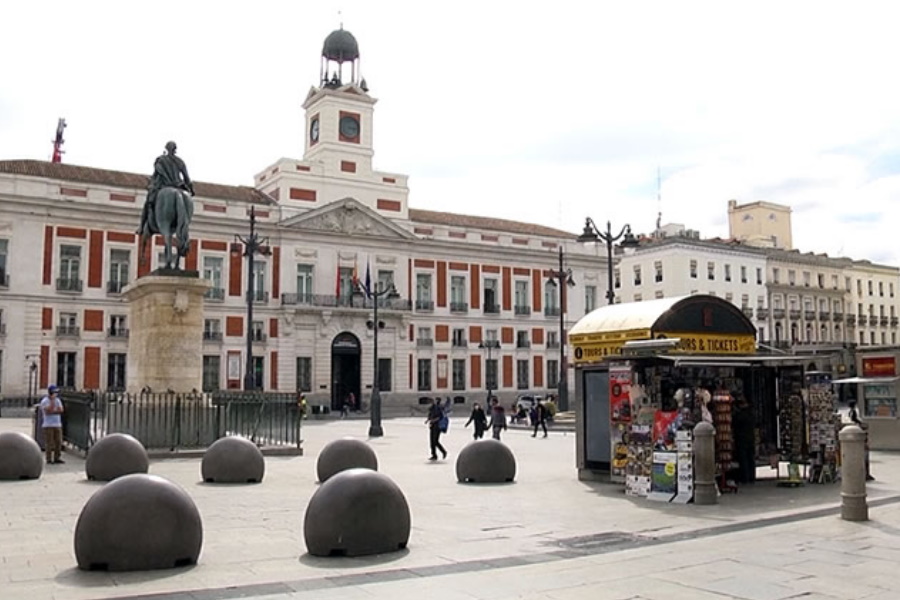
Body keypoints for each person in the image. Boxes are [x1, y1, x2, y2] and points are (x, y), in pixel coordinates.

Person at [138, 141, 195, 236]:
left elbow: (156, 175)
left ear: (166, 148)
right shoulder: (180, 162)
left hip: (164, 186)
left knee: (148, 203)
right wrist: (191, 191)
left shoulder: (160, 160)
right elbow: (187, 179)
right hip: (179, 186)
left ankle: (141, 227)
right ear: (175, 150)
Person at [848, 401, 874, 481]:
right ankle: (866, 474)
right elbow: (855, 419)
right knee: (865, 460)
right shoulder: (854, 413)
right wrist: (860, 423)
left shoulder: (850, 412)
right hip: (862, 447)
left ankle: (865, 474)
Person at [39, 385, 65, 464]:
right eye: (54, 392)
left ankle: (57, 457)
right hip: (48, 425)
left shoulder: (58, 400)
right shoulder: (45, 401)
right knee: (49, 442)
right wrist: (52, 402)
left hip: (57, 424)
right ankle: (49, 458)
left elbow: (61, 410)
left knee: (58, 441)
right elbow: (48, 411)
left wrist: (54, 411)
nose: (56, 394)